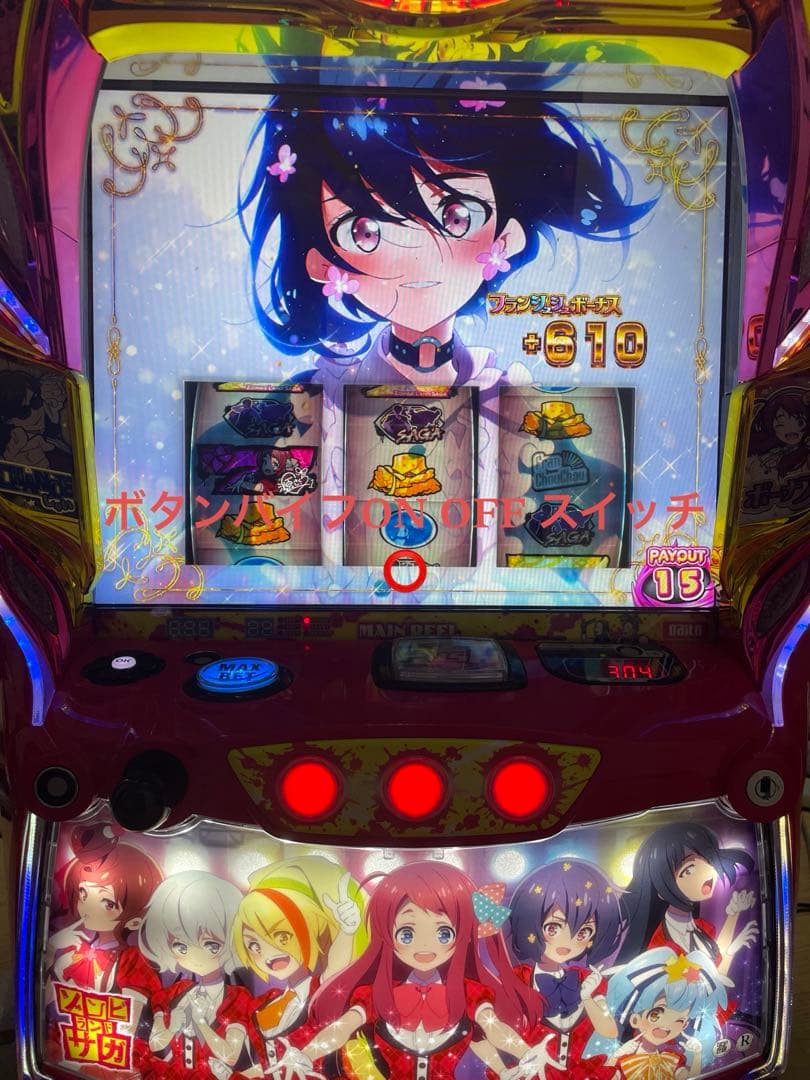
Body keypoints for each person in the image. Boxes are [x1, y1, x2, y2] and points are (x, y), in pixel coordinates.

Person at [264, 861, 551, 1080]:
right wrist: (306, 1053)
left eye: (443, 933)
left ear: (463, 934)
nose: (424, 946)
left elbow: (493, 1030)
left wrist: (525, 1053)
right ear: (386, 934)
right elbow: (341, 1029)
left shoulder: (469, 993)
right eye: (407, 933)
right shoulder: (376, 993)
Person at [232, 857, 366, 1077]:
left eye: (282, 937)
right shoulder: (263, 1003)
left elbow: (336, 969)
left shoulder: (321, 992)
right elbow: (259, 1067)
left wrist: (347, 929)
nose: (268, 953)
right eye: (254, 945)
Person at [507, 860, 626, 1079]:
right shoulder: (518, 979)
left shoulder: (588, 979)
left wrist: (587, 998)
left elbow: (609, 1031)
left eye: (583, 932)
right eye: (553, 927)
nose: (567, 941)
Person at [139, 870, 252, 1079]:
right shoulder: (172, 994)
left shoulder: (237, 999)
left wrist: (201, 1023)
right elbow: (155, 1043)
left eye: (211, 945)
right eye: (180, 946)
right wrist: (171, 1028)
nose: (195, 956)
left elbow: (230, 1056)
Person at [600, 947, 729, 1080]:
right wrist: (615, 1057)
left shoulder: (672, 1060)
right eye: (656, 1014)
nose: (666, 1025)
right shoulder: (624, 1061)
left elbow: (689, 1077)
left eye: (679, 1020)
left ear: (685, 1025)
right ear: (635, 1020)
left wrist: (697, 1055)